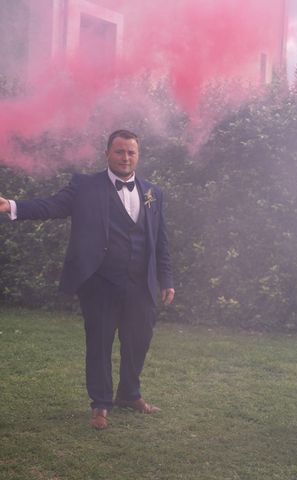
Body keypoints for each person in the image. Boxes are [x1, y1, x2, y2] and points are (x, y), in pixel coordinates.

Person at [0, 129, 175, 430]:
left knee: (138, 341)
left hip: (140, 285)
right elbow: (51, 206)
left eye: (131, 152)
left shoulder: (153, 193)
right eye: (119, 151)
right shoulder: (84, 186)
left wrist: (166, 279)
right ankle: (100, 405)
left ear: (138, 156)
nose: (125, 157)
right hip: (100, 282)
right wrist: (13, 206)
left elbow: (160, 241)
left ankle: (129, 394)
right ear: (107, 153)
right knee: (100, 343)